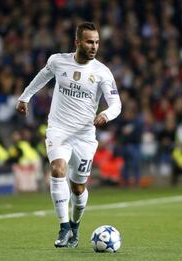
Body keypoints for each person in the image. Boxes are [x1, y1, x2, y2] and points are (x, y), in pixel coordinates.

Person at [16, 22, 121, 248]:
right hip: (58, 129)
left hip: (84, 135)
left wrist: (106, 115)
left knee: (78, 187)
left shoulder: (102, 72)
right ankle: (63, 227)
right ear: (78, 42)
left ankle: (74, 225)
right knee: (57, 169)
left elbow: (116, 104)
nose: (94, 46)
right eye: (89, 41)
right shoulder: (57, 61)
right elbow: (41, 78)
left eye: (97, 42)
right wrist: (25, 97)